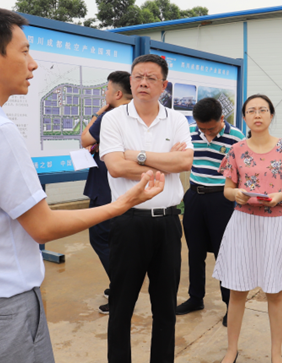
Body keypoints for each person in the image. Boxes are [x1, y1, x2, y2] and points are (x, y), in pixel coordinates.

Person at [0, 8, 164, 363]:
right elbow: (42, 226)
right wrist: (123, 203)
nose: (33, 64)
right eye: (24, 51)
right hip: (5, 313)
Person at [100, 54, 194, 363]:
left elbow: (184, 162)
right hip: (127, 221)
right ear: (130, 81)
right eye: (138, 76)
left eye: (151, 78)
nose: (143, 82)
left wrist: (137, 155)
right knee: (121, 305)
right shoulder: (113, 119)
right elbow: (114, 167)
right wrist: (161, 162)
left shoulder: (177, 119)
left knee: (165, 307)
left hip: (167, 224)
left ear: (163, 85)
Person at [213, 94, 282, 363]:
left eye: (263, 110)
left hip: (274, 223)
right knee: (236, 290)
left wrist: (281, 196)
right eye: (251, 110)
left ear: (271, 115)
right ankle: (232, 350)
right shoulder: (237, 149)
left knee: (275, 293)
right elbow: (227, 189)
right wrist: (237, 194)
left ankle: (276, 353)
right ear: (244, 118)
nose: (257, 115)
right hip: (243, 222)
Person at [176, 97, 245, 326]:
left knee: (223, 254)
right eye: (202, 128)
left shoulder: (236, 137)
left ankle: (229, 306)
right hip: (195, 196)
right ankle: (196, 298)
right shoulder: (189, 134)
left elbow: (244, 171)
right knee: (194, 252)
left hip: (221, 199)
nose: (207, 132)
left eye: (211, 128)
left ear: (222, 119)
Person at [80, 70, 133, 314]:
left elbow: (84, 139)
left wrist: (100, 111)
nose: (105, 93)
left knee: (101, 239)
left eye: (108, 89)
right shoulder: (138, 114)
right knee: (120, 242)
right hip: (127, 190)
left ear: (118, 93)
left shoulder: (110, 116)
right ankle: (120, 285)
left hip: (105, 188)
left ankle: (122, 291)